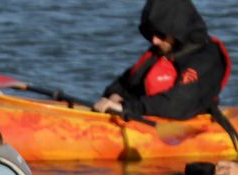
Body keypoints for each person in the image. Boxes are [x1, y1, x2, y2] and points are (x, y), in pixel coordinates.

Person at [93, 0, 229, 123]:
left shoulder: (206, 58)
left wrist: (126, 107)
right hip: (146, 118)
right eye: (151, 33)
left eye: (161, 34)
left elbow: (179, 104)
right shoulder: (162, 51)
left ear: (178, 30)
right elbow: (125, 84)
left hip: (188, 127)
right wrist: (115, 95)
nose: (154, 41)